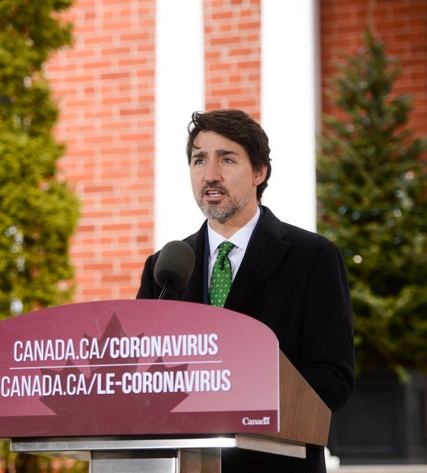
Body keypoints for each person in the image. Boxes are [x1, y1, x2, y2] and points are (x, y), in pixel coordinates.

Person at [136, 109, 355, 473]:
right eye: (199, 160)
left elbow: (334, 378)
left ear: (259, 172)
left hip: (276, 462)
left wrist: (238, 393)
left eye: (227, 159)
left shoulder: (312, 257)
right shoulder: (165, 268)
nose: (210, 175)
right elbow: (142, 372)